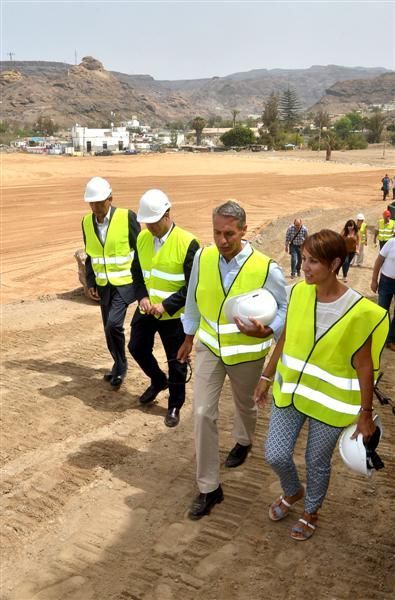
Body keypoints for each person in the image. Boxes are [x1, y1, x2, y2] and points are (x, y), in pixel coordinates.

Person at [254, 229, 389, 541]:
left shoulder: (359, 311)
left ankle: (310, 510)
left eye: (314, 261)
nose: (305, 266)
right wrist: (266, 375)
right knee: (275, 453)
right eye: (306, 259)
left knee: (317, 462)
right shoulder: (298, 292)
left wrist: (365, 414)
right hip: (290, 392)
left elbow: (365, 365)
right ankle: (293, 490)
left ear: (334, 263)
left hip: (331, 402)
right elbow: (287, 335)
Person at [177, 200, 287, 520]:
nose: (222, 240)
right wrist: (188, 337)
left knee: (245, 406)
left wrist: (268, 330)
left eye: (229, 233)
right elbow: (193, 299)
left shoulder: (266, 268)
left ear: (244, 230)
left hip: (247, 356)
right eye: (216, 232)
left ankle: (244, 440)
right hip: (209, 349)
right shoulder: (203, 256)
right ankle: (209, 487)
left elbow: (284, 310)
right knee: (201, 413)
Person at [128, 189, 200, 427]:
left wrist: (166, 305)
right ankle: (158, 381)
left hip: (175, 316)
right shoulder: (142, 238)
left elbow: (193, 286)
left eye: (154, 222)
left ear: (167, 213)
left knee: (177, 362)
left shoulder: (188, 243)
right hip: (147, 310)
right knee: (136, 347)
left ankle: (174, 405)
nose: (150, 227)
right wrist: (142, 297)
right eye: (146, 222)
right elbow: (137, 272)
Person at [82, 177, 140, 387]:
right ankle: (117, 363)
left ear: (110, 199)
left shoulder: (126, 217)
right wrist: (90, 282)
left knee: (113, 325)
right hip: (103, 284)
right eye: (92, 203)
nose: (96, 207)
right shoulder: (86, 222)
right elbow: (91, 254)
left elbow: (140, 249)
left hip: (124, 284)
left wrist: (143, 284)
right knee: (108, 328)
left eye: (100, 202)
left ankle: (122, 366)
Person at [371, 235, 395, 351]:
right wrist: (374, 280)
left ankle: (390, 339)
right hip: (386, 281)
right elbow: (379, 261)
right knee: (382, 310)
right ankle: (381, 337)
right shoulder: (391, 242)